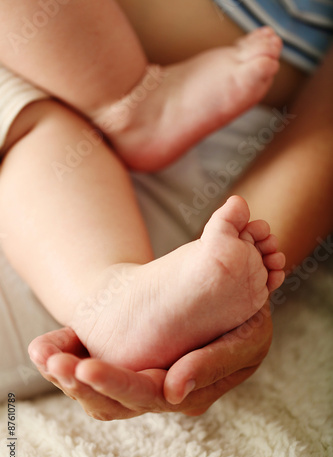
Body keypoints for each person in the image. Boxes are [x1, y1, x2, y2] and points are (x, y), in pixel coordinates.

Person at [2, 0, 333, 419]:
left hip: (215, 126)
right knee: (35, 131)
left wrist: (237, 282)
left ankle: (107, 297)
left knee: (35, 135)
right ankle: (105, 297)